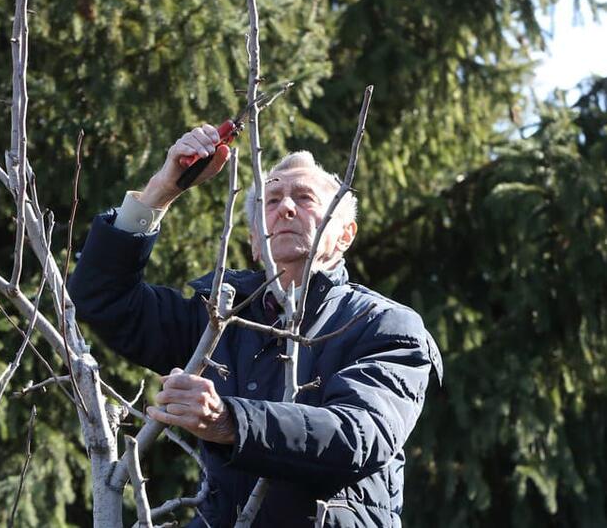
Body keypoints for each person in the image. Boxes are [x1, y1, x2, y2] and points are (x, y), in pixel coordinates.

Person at [68, 124, 443, 527]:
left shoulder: (385, 325)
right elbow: (102, 298)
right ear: (252, 239)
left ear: (345, 235)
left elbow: (358, 436)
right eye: (271, 199)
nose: (285, 208)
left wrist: (228, 420)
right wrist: (162, 189)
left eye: (305, 198)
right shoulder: (217, 317)